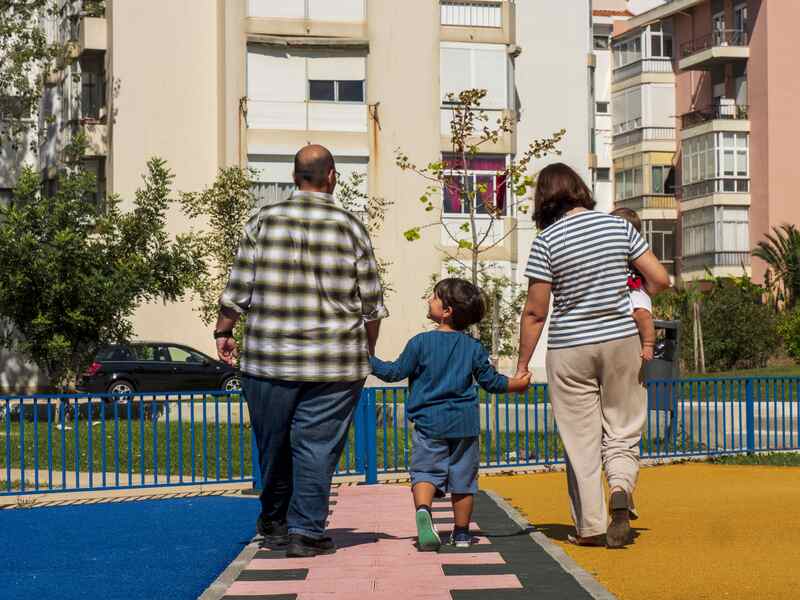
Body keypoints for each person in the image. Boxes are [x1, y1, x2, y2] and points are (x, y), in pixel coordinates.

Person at [215, 144, 388, 558]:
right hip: (335, 363)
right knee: (317, 447)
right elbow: (371, 303)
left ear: (295, 177)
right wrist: (366, 349)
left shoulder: (262, 220)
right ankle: (306, 532)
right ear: (332, 176)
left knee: (272, 443)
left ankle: (274, 524)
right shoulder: (351, 227)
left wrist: (224, 330)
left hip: (268, 358)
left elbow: (238, 288)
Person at [515, 163, 669, 548]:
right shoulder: (618, 227)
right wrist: (634, 297)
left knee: (580, 439)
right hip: (621, 341)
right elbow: (660, 278)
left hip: (569, 348)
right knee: (622, 427)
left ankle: (590, 526)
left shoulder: (547, 240)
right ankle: (620, 488)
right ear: (580, 189)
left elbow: (536, 311)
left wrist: (521, 364)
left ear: (544, 198)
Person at [369, 278, 531, 551]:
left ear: (446, 311)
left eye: (433, 297)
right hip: (464, 424)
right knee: (463, 481)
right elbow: (492, 383)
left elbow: (393, 373)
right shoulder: (473, 348)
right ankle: (462, 533)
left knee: (424, 473)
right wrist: (517, 384)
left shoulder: (420, 343)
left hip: (428, 423)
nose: (428, 301)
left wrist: (366, 359)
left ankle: (423, 511)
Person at [610, 207, 656, 362]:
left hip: (634, 286)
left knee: (641, 312)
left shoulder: (633, 247)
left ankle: (649, 343)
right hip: (622, 288)